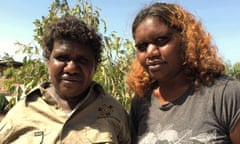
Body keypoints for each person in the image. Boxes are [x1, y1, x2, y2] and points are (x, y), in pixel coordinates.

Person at [0, 15, 131, 144]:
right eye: (62, 58)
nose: (71, 68)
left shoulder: (113, 110)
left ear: (95, 66)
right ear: (48, 60)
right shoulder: (22, 111)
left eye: (82, 60)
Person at [126, 2, 240, 144]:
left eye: (161, 41)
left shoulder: (226, 95)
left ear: (186, 40)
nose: (150, 52)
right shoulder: (142, 102)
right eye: (142, 47)